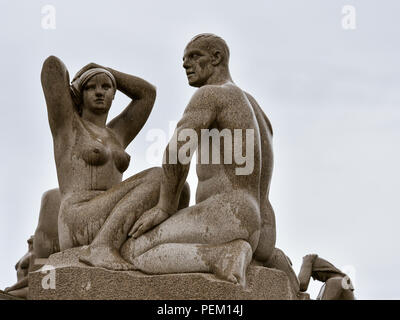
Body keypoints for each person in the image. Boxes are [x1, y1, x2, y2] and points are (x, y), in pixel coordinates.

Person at [80, 34, 299, 291]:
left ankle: (221, 257)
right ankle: (270, 262)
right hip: (261, 224)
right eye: (183, 59)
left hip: (226, 214)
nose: (186, 64)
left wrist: (165, 206)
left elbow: (177, 153)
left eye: (195, 57)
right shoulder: (256, 110)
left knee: (133, 249)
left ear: (217, 58)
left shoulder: (211, 94)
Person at [39, 56, 190, 270]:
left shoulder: (117, 133)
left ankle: (157, 245)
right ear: (80, 95)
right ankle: (101, 247)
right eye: (91, 87)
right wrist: (75, 84)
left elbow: (147, 94)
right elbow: (52, 67)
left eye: (106, 87)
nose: (99, 92)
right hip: (78, 218)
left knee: (178, 187)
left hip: (109, 216)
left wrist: (107, 70)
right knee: (159, 176)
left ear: (114, 94)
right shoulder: (69, 128)